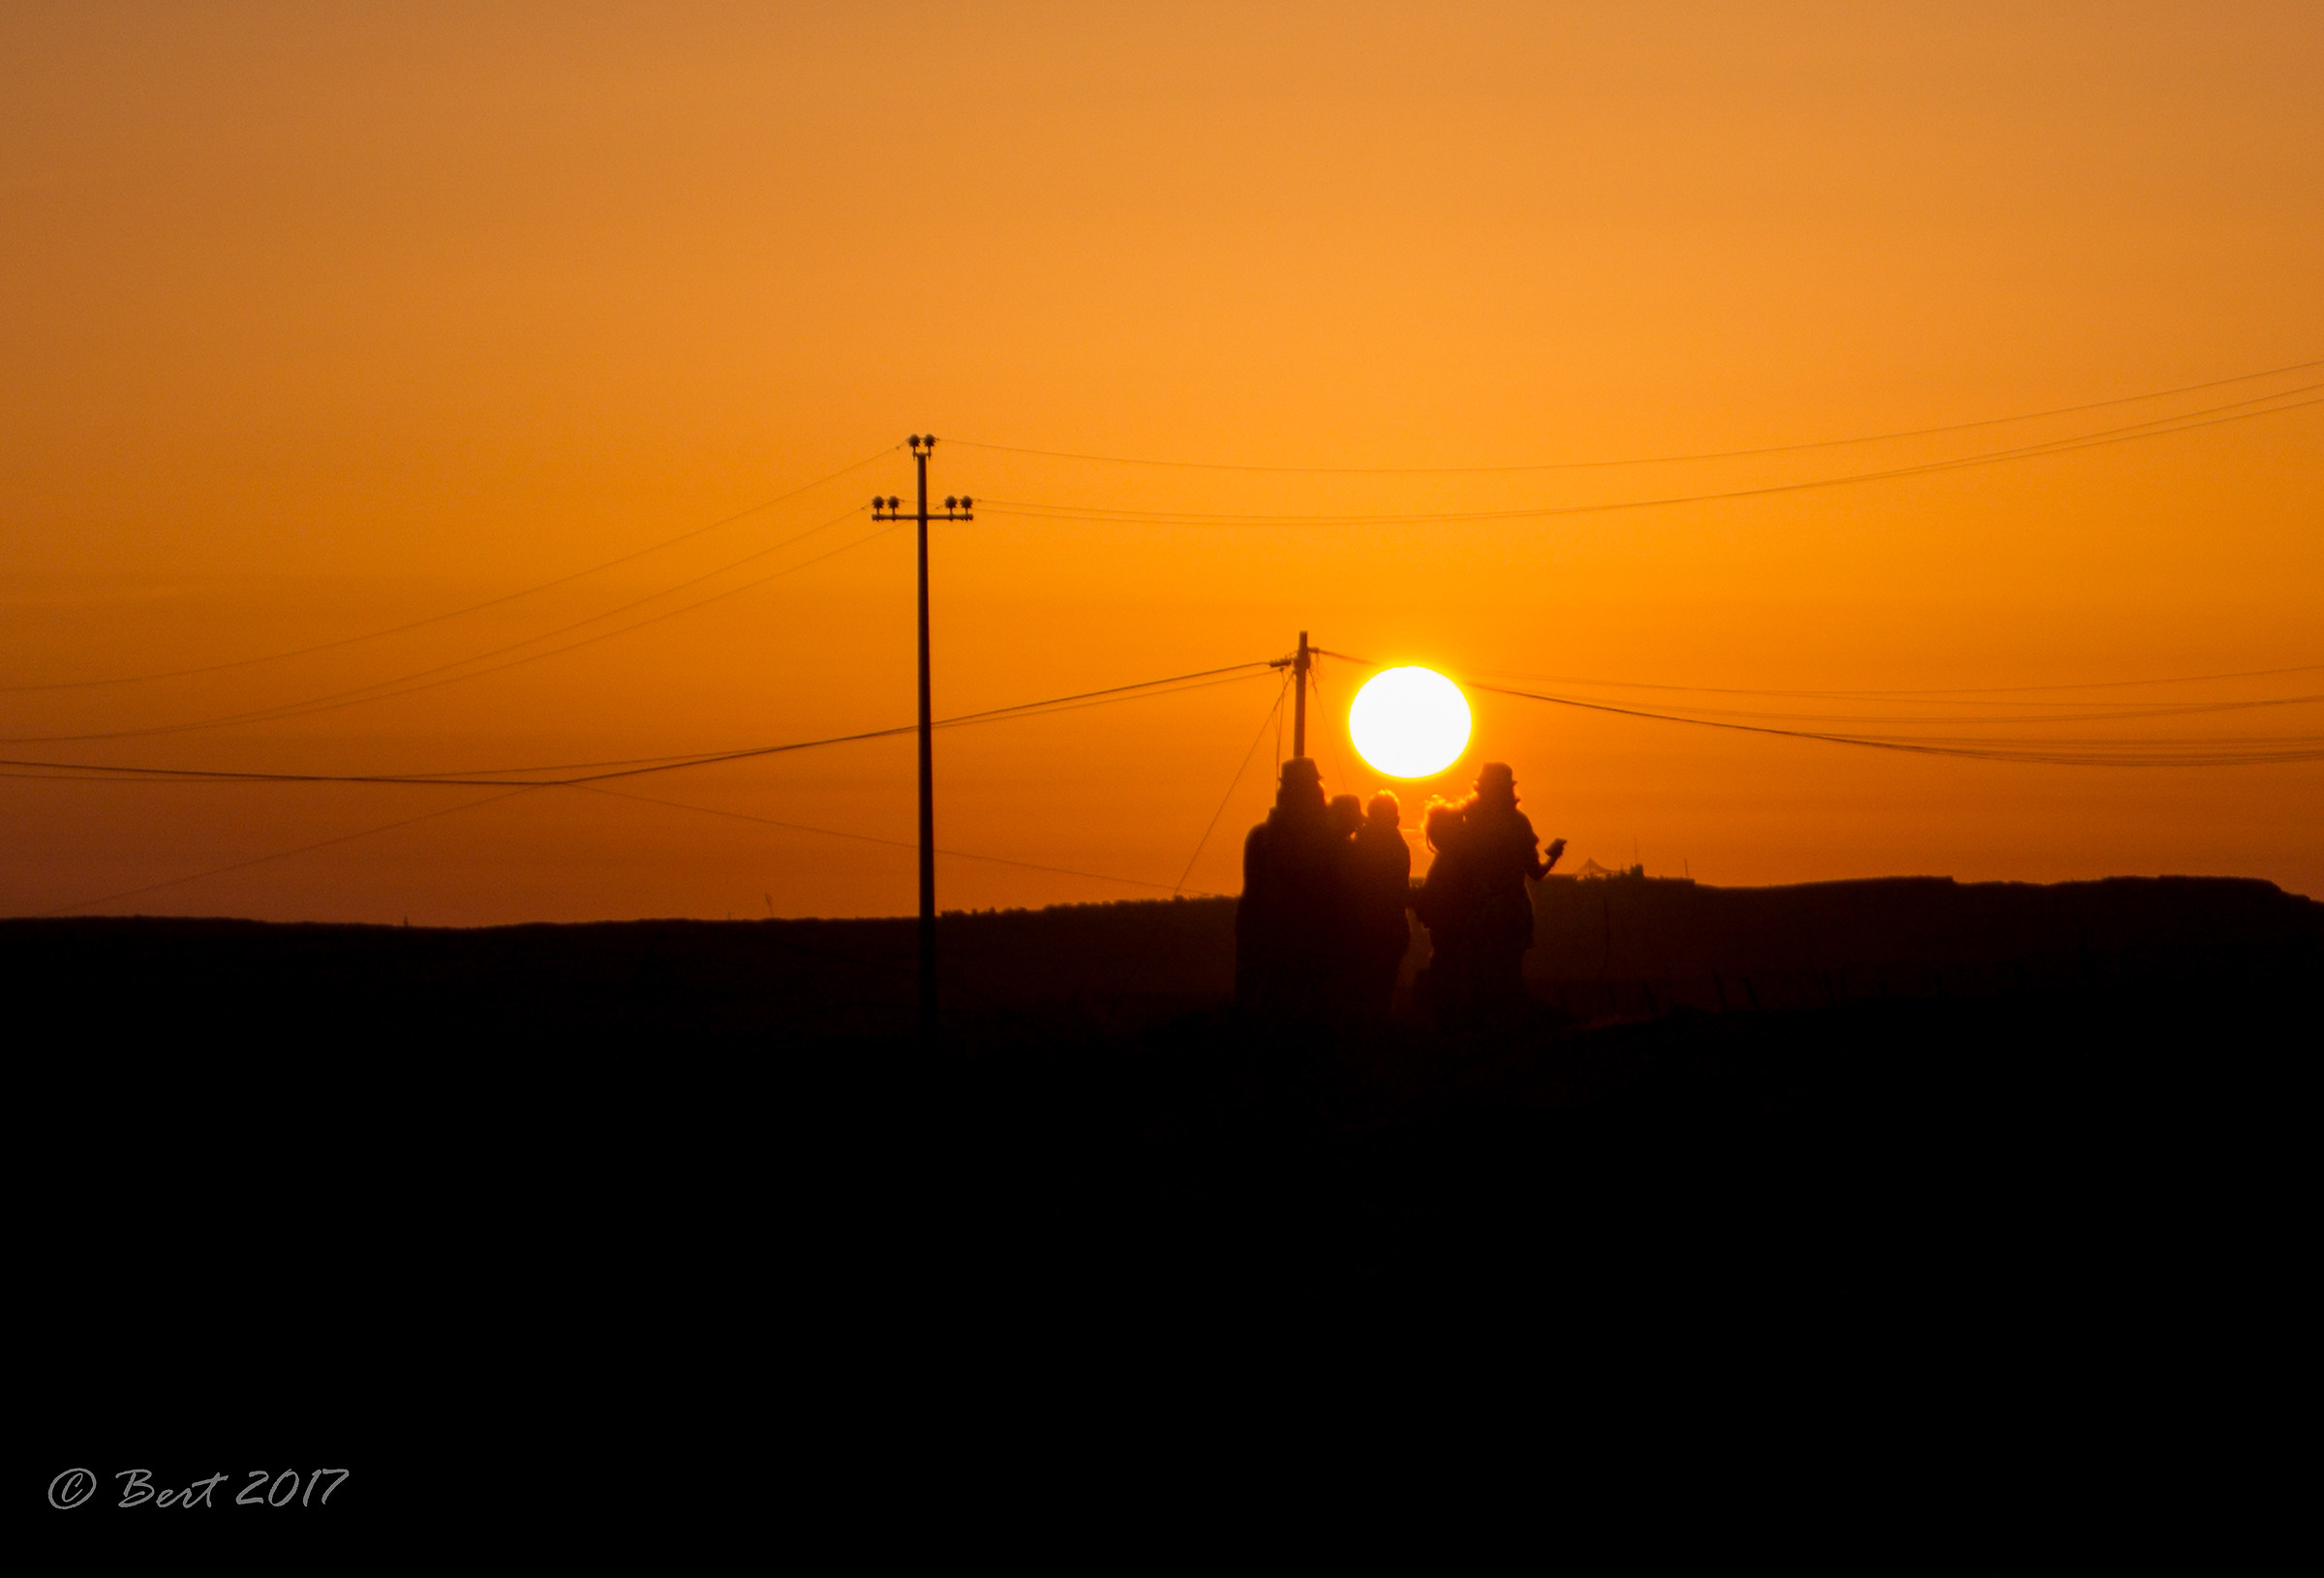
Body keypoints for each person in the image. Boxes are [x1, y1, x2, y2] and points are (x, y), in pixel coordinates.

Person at [1235, 758, 1342, 1014]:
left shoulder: (1261, 837)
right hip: (1298, 945)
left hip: (1280, 943)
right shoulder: (1325, 840)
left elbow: (1250, 899)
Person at [1459, 762, 1566, 1011]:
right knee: (1509, 975)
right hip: (1510, 911)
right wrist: (1554, 856)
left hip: (1476, 911)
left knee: (1480, 976)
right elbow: (1535, 872)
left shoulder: (1468, 821)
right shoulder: (1518, 823)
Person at [1348, 792, 1414, 1017]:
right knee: (1381, 994)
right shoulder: (1397, 845)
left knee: (1364, 995)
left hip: (1366, 930)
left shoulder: (1363, 843)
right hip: (1390, 929)